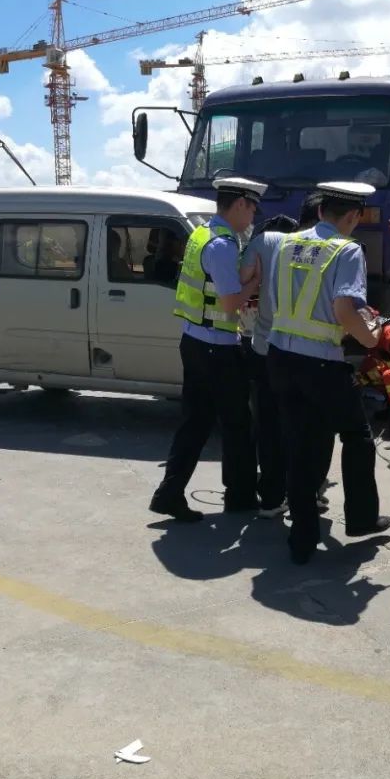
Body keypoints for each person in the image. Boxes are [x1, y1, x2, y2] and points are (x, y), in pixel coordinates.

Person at [266, 181, 390, 564]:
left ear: (320, 211)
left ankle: (302, 538)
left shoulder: (285, 244)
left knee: (301, 443)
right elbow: (342, 310)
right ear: (353, 216)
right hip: (321, 363)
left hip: (280, 357)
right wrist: (372, 338)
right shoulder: (347, 249)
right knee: (356, 436)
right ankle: (361, 518)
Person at [149, 178, 264, 523]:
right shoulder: (223, 245)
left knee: (195, 423)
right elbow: (230, 303)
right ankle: (241, 497)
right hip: (218, 349)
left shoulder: (201, 234)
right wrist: (256, 282)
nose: (253, 215)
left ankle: (169, 492)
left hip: (195, 342)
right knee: (237, 424)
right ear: (241, 203)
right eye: (253, 207)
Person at [239, 195, 321, 518]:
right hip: (303, 353)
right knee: (305, 429)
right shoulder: (321, 250)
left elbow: (244, 279)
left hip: (263, 349)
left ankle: (271, 499)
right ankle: (307, 495)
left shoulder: (266, 240)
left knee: (269, 426)